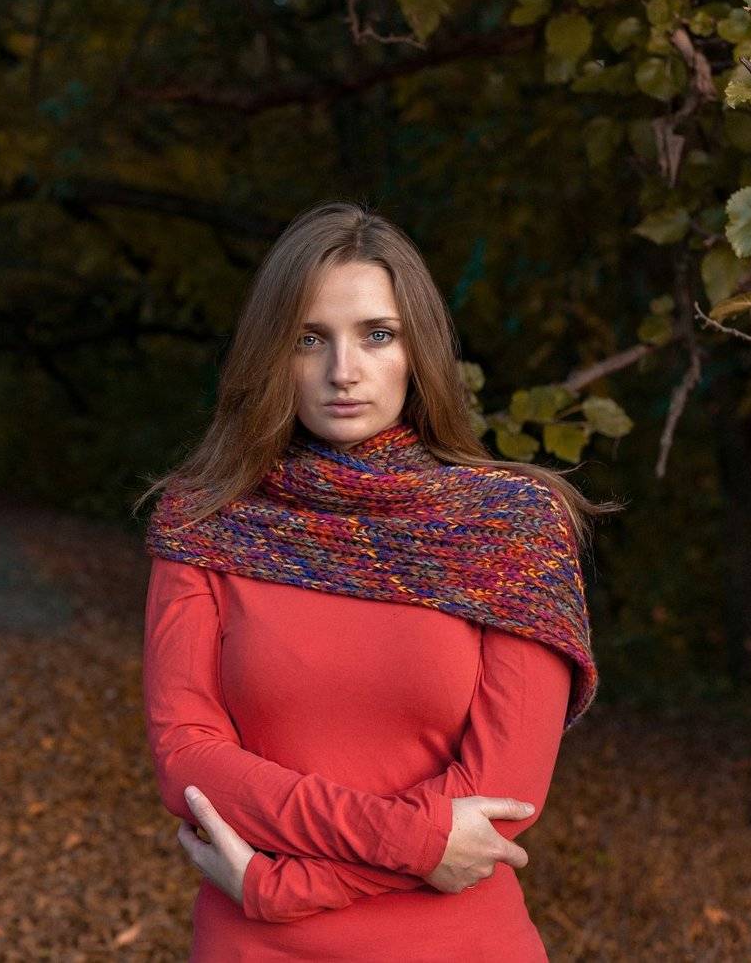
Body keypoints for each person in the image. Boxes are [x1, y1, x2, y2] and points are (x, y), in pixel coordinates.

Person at [135, 200, 622, 961]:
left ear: (417, 347)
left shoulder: (510, 529)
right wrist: (419, 839)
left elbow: (504, 798)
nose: (344, 370)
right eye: (309, 339)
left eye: (377, 335)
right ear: (271, 353)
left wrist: (281, 889)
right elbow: (188, 759)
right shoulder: (206, 522)